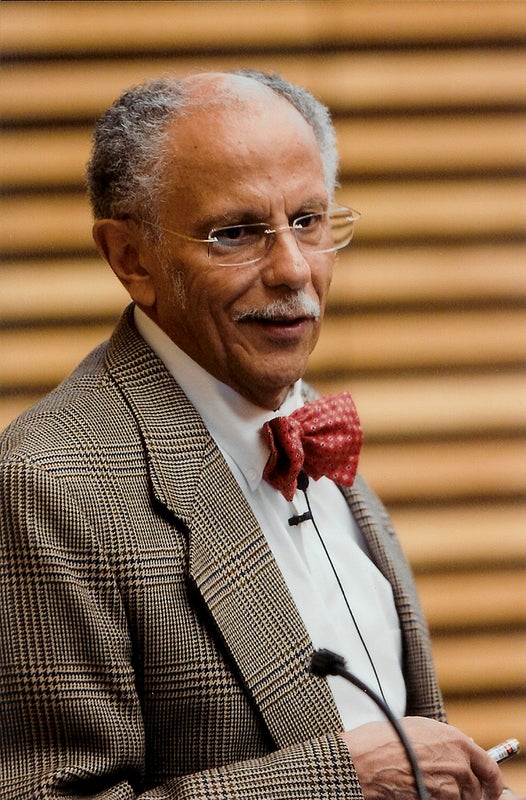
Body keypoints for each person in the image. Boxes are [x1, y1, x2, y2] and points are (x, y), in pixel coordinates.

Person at [0, 69, 519, 800]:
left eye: (309, 220)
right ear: (130, 258)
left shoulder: (309, 431)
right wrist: (343, 780)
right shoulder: (48, 486)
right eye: (236, 233)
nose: (293, 269)